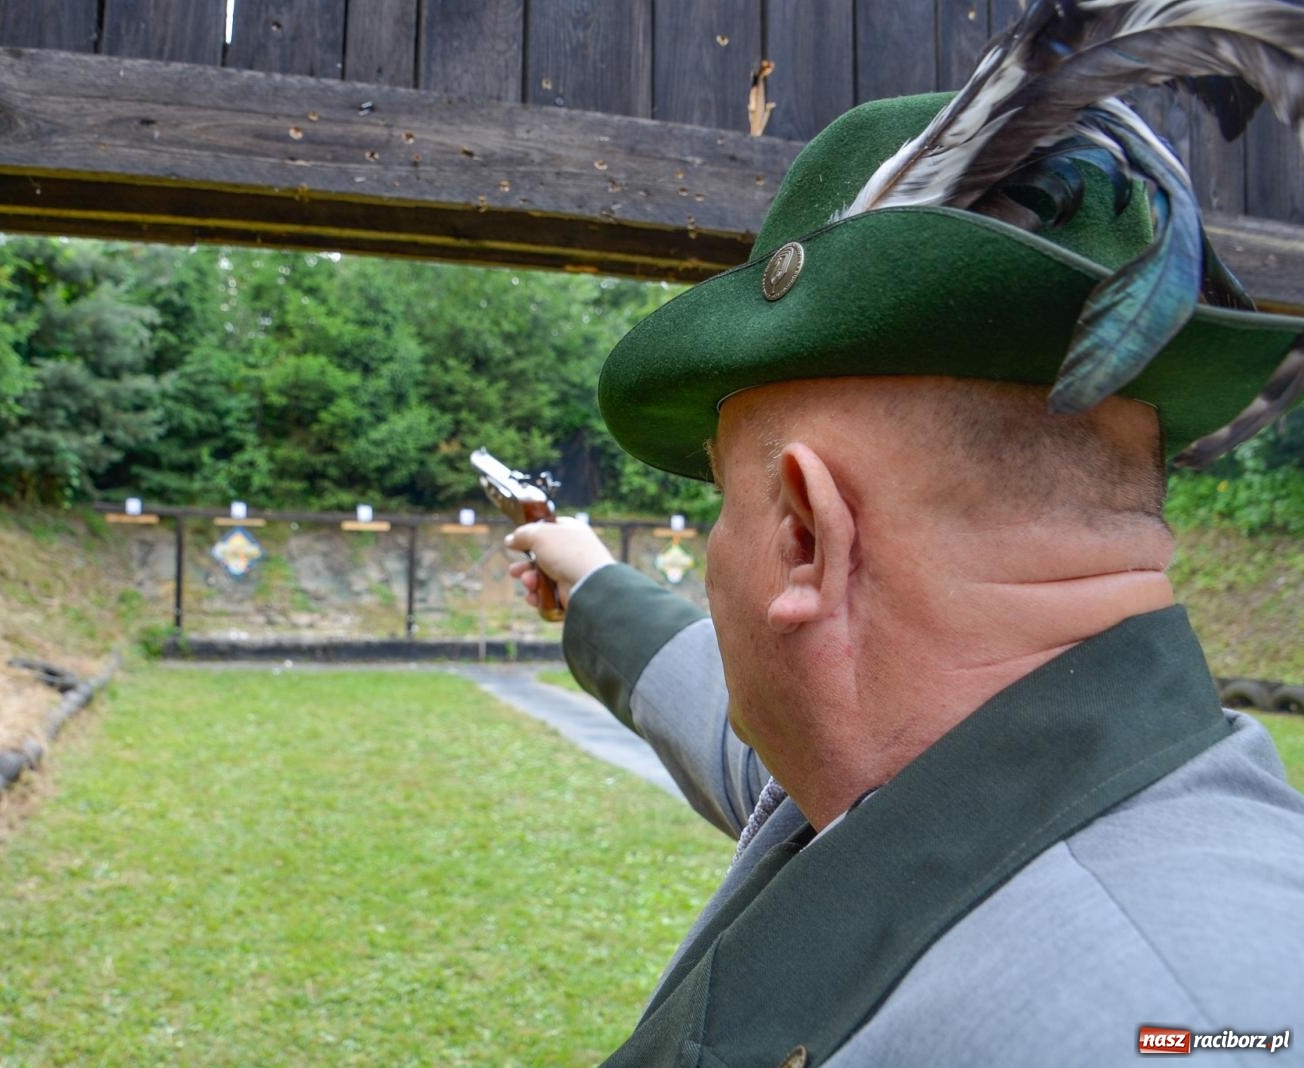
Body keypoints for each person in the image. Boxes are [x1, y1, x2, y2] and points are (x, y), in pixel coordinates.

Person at [500, 48, 1304, 1068]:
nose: (715, 548)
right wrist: (588, 580)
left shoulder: (1180, 1023)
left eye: (723, 501)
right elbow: (749, 717)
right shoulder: (930, 764)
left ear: (804, 535)